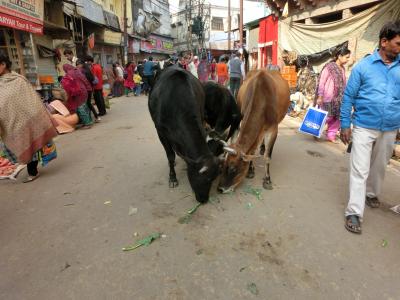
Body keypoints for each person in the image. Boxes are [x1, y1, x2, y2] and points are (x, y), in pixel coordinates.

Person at [340, 21, 400, 234]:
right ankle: (354, 212)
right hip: (364, 125)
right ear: (384, 42)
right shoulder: (363, 67)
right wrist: (345, 123)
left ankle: (372, 193)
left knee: (380, 165)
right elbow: (348, 96)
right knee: (360, 169)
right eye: (398, 43)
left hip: (391, 126)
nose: (399, 47)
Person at [0, 54, 58, 182]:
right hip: (11, 123)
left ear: (3, 65)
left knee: (32, 144)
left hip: (28, 118)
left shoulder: (18, 80)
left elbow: (30, 99)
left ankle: (33, 171)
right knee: (19, 147)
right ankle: (29, 168)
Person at [316, 48, 351, 142]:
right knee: (327, 117)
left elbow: (344, 83)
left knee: (337, 119)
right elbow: (322, 82)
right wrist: (320, 96)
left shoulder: (343, 69)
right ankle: (315, 130)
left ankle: (331, 136)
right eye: (347, 57)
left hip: (339, 99)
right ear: (339, 56)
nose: (348, 60)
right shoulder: (329, 67)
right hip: (328, 98)